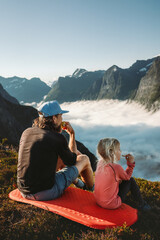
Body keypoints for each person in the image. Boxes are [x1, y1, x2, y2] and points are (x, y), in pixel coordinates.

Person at [17, 100, 94, 201]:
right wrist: (72, 134)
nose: (62, 118)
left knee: (61, 157)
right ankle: (92, 190)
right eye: (60, 116)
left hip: (23, 191)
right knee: (84, 159)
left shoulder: (27, 132)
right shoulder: (57, 138)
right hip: (45, 193)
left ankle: (80, 184)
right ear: (54, 118)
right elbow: (72, 162)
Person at [94, 138, 151, 210]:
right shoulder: (116, 167)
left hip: (98, 200)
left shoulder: (99, 163)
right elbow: (127, 177)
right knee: (130, 180)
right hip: (111, 204)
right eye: (118, 149)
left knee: (120, 181)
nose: (121, 151)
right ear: (112, 153)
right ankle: (142, 204)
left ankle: (141, 203)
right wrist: (130, 164)